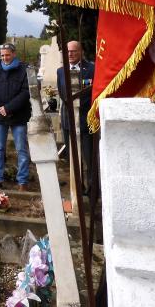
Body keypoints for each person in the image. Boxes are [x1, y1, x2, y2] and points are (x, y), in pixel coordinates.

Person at [0, 43, 32, 190]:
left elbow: (25, 92)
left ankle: (22, 181)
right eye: (2, 55)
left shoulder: (23, 70)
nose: (5, 58)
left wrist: (8, 107)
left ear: (14, 54)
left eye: (7, 55)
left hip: (18, 115)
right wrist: (0, 108)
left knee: (21, 149)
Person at [56, 41, 95, 193]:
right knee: (73, 158)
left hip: (86, 121)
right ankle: (78, 187)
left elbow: (93, 94)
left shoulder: (92, 69)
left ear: (81, 52)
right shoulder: (61, 71)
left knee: (89, 158)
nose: (70, 54)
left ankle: (92, 189)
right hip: (68, 122)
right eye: (67, 52)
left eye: (73, 51)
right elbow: (62, 93)